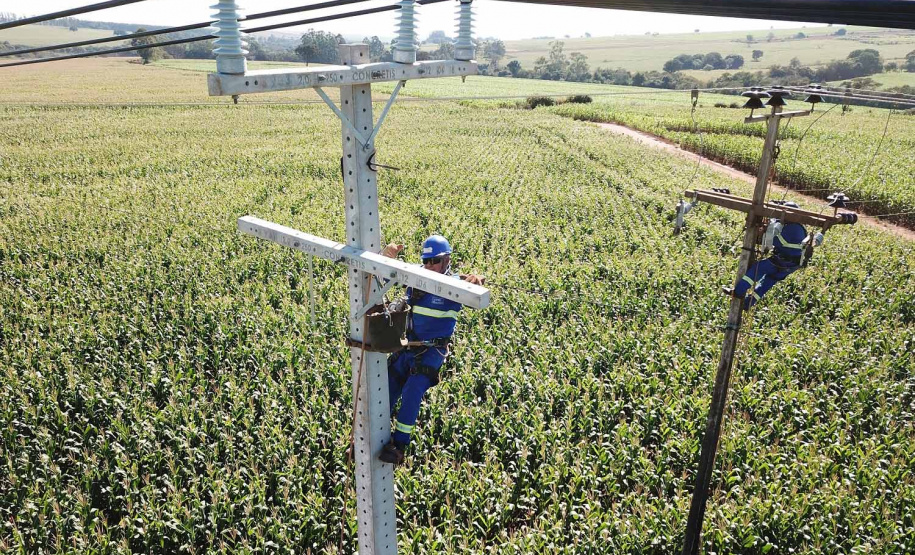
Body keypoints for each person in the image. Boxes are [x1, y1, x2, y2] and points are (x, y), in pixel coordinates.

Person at [377, 234, 484, 465]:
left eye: (434, 261)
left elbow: (472, 290)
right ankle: (367, 440)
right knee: (385, 391)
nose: (428, 266)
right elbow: (391, 271)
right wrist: (386, 259)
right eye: (425, 261)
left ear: (446, 261)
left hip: (431, 352)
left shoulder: (454, 286)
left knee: (413, 391)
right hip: (407, 347)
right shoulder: (417, 275)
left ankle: (399, 445)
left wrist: (473, 282)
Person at [725, 202, 823, 310]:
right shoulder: (798, 227)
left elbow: (776, 241)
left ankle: (738, 292)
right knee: (767, 282)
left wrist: (765, 232)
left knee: (758, 269)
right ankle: (748, 303)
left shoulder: (793, 228)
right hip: (792, 265)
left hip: (783, 261)